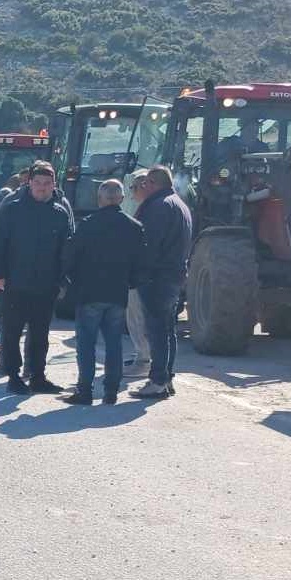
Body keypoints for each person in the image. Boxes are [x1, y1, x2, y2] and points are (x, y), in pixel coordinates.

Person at [0, 160, 75, 395]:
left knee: (40, 334)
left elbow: (66, 249)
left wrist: (62, 279)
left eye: (47, 184)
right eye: (37, 183)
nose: (42, 187)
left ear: (53, 185)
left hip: (46, 284)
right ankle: (13, 376)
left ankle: (38, 376)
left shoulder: (59, 213)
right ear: (29, 183)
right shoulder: (13, 209)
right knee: (12, 332)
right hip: (15, 281)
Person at [60, 179, 144, 405]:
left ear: (99, 200)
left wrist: (69, 281)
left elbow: (70, 257)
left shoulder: (87, 224)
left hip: (89, 292)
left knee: (86, 344)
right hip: (117, 293)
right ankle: (111, 392)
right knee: (114, 344)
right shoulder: (134, 227)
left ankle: (85, 391)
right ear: (122, 199)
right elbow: (139, 263)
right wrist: (131, 283)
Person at [131, 165, 193, 399]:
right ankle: (166, 378)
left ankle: (157, 380)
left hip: (157, 276)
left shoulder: (158, 206)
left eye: (145, 183)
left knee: (156, 329)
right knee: (167, 330)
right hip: (174, 274)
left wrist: (137, 269)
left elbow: (149, 244)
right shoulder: (179, 204)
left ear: (152, 184)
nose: (142, 187)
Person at [121, 170, 154, 378]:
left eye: (133, 188)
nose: (131, 194)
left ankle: (144, 360)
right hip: (148, 274)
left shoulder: (150, 210)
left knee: (138, 316)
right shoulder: (155, 207)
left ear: (144, 186)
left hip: (142, 275)